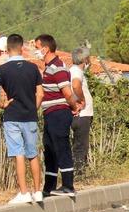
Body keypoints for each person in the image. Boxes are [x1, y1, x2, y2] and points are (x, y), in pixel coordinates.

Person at [0, 34, 45, 204]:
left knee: (18, 153)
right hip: (30, 116)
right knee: (33, 153)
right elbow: (40, 93)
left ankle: (24, 192)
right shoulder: (32, 68)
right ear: (21, 47)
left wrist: (2, 104)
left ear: (7, 48)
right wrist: (34, 108)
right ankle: (38, 191)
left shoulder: (3, 70)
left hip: (12, 116)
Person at [35, 34, 81, 197]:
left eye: (36, 48)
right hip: (50, 114)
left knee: (61, 148)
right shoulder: (48, 68)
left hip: (59, 114)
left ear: (45, 49)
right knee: (50, 150)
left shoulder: (58, 67)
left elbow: (68, 93)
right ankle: (49, 186)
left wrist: (74, 106)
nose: (36, 52)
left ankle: (68, 185)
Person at [70, 46, 94, 174]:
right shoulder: (76, 71)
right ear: (85, 59)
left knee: (80, 144)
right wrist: (82, 100)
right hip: (82, 114)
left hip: (82, 114)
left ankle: (79, 170)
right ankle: (79, 172)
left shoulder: (75, 70)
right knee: (80, 145)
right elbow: (75, 85)